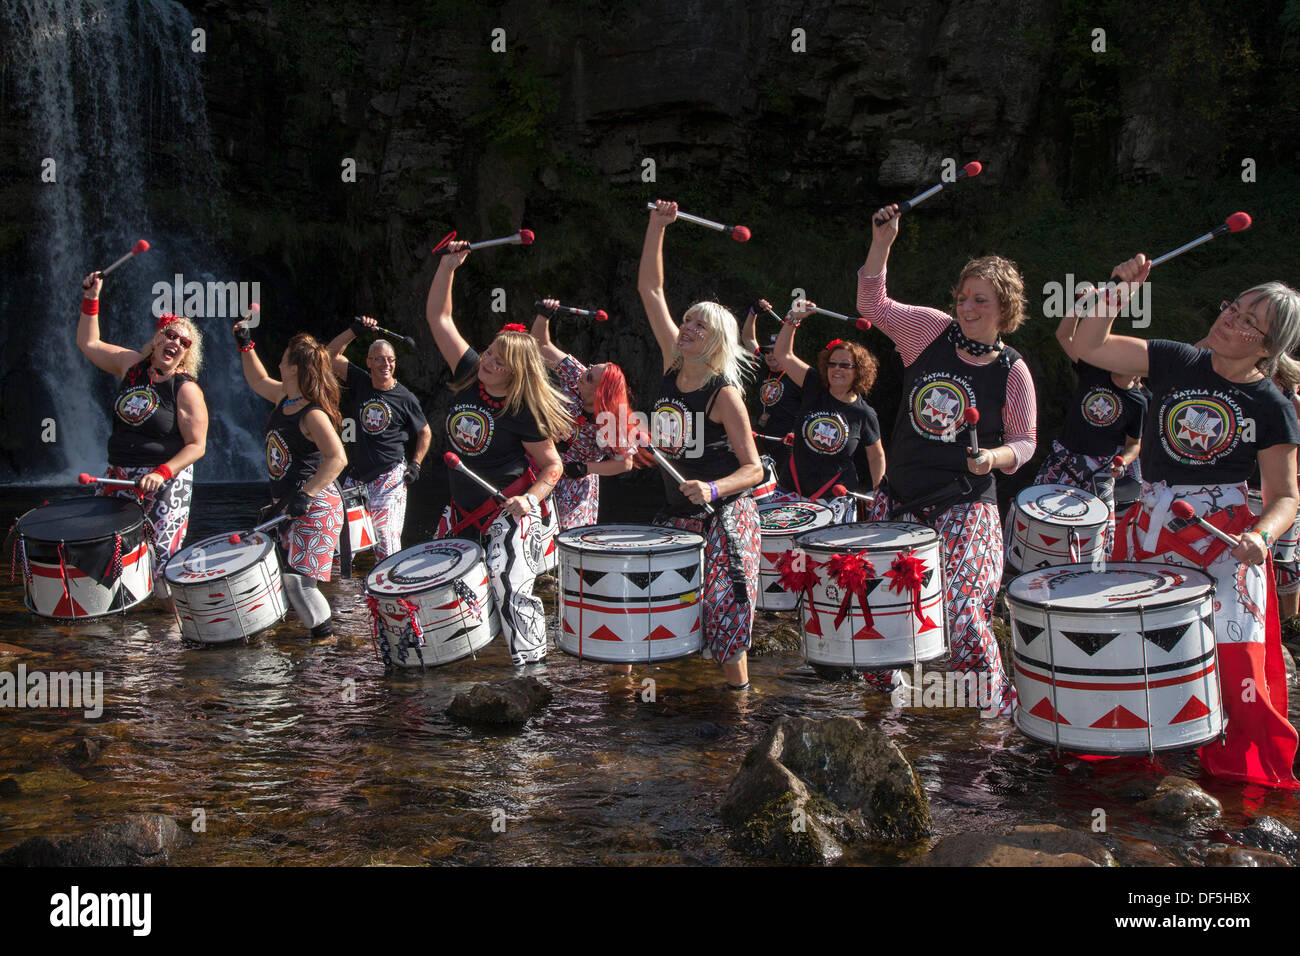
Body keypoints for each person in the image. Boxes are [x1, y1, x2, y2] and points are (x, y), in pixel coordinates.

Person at [1072, 260, 1300, 788]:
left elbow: (1285, 494)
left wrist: (1262, 536)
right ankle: (1131, 755)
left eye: (1249, 322)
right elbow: (1090, 345)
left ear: (1268, 347)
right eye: (1233, 307)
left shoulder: (1271, 405)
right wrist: (1120, 290)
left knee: (1235, 658)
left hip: (1226, 539)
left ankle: (1239, 777)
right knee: (1138, 646)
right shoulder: (1176, 359)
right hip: (1153, 524)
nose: (1231, 320)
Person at [857, 203, 1037, 715]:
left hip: (966, 505)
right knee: (883, 609)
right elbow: (873, 303)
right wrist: (883, 243)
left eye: (980, 299)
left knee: (958, 612)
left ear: (1004, 308)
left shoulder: (1013, 370)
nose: (967, 307)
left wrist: (993, 456)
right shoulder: (929, 333)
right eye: (962, 297)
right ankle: (885, 713)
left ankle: (991, 712)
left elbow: (1025, 441)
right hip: (900, 500)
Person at [425, 241, 571, 665]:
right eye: (489, 352)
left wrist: (529, 498)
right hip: (461, 510)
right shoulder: (471, 372)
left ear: (518, 370)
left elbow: (553, 466)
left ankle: (531, 671)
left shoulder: (522, 411)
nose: (487, 361)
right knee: (438, 581)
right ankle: (457, 662)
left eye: (499, 361)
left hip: (509, 510)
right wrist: (449, 267)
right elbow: (439, 317)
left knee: (508, 583)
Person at [639, 200, 764, 690]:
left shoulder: (724, 394)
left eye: (698, 326)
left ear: (716, 343)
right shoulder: (674, 363)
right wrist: (656, 227)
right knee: (652, 597)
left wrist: (712, 488)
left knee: (724, 605)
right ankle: (632, 693)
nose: (686, 328)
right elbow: (651, 289)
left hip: (724, 513)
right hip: (676, 508)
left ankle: (739, 704)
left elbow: (753, 469)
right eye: (686, 321)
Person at [77, 272, 208, 590]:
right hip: (118, 475)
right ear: (157, 338)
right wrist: (91, 298)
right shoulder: (131, 365)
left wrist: (163, 472)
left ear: (186, 353)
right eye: (170, 335)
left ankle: (171, 631)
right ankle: (111, 628)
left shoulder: (186, 389)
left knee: (162, 564)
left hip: (166, 482)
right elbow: (88, 343)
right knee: (101, 550)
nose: (175, 342)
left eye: (183, 341)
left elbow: (196, 445)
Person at [234, 324, 347, 638]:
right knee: (287, 578)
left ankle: (325, 642)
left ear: (295, 369)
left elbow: (337, 458)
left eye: (284, 360)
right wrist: (246, 345)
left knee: (297, 581)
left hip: (315, 503)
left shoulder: (313, 414)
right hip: (287, 506)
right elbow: (256, 380)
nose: (279, 364)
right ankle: (318, 641)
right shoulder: (284, 398)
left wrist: (307, 494)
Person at [768, 300, 885, 522]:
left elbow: (876, 454)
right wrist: (793, 318)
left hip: (835, 497)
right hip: (791, 489)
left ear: (859, 371)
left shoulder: (864, 413)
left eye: (844, 365)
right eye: (832, 364)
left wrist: (879, 489)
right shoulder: (814, 384)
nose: (836, 370)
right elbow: (783, 354)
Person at [1039, 311, 1147, 554]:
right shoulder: (1094, 371)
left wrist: (1123, 462)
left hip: (1101, 470)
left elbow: (1134, 444)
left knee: (1099, 538)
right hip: (1063, 458)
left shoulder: (1138, 402)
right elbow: (1063, 335)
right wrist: (1078, 306)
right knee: (1039, 518)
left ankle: (1088, 579)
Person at [325, 316, 432, 560]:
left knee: (385, 539)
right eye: (380, 359)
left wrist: (416, 464)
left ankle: (391, 592)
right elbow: (329, 356)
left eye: (391, 360)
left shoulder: (405, 397)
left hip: (389, 476)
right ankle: (344, 595)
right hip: (357, 477)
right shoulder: (360, 381)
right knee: (341, 542)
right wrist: (354, 331)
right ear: (369, 362)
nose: (386, 364)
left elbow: (425, 432)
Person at [529, 299, 636, 529]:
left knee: (566, 539)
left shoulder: (609, 420)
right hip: (543, 469)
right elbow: (541, 345)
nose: (582, 373)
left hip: (574, 483)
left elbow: (625, 463)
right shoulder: (577, 375)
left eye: (589, 377)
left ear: (599, 393)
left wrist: (585, 468)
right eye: (588, 367)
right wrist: (543, 316)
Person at [741, 301, 803, 457]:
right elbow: (748, 338)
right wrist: (753, 312)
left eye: (774, 351)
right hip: (761, 438)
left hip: (787, 443)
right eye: (766, 351)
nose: (769, 355)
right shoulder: (764, 366)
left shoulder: (797, 373)